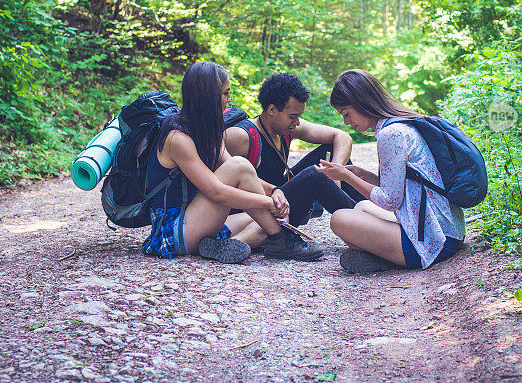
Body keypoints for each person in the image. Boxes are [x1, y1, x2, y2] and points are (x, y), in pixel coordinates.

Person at [142, 61, 324, 264]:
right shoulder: (177, 138)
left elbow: (242, 174)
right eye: (226, 93)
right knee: (258, 199)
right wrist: (268, 202)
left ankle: (232, 244)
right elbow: (218, 192)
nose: (230, 99)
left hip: (195, 218)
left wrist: (274, 191)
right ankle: (281, 241)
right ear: (209, 96)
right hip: (174, 231)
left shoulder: (210, 129)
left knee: (269, 220)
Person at [315, 69, 465, 273]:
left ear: (361, 102)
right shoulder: (401, 124)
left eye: (346, 114)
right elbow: (405, 189)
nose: (347, 122)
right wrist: (363, 175)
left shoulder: (390, 134)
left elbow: (390, 201)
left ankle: (390, 260)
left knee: (339, 219)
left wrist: (347, 177)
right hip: (449, 231)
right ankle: (386, 257)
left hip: (434, 240)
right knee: (360, 208)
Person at [224, 72, 361, 227]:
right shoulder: (241, 136)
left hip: (282, 193)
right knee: (314, 176)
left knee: (332, 152)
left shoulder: (288, 127)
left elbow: (342, 137)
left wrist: (337, 175)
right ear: (272, 110)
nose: (297, 123)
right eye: (292, 116)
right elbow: (223, 181)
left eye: (299, 116)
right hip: (263, 208)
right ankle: (364, 225)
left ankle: (370, 211)